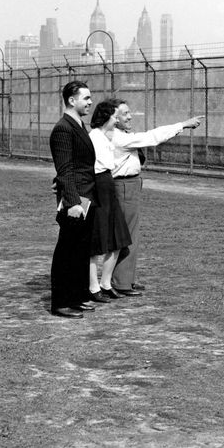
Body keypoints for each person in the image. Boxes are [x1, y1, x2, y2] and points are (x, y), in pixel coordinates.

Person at [109, 100, 202, 295]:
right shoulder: (118, 138)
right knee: (127, 235)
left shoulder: (118, 135)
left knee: (130, 234)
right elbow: (152, 137)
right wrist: (182, 125)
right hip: (124, 186)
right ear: (114, 119)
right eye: (125, 113)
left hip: (130, 185)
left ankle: (125, 279)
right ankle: (122, 283)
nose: (130, 116)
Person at [49, 80, 97, 318]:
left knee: (80, 250)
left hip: (86, 197)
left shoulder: (78, 125)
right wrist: (73, 202)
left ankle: (77, 296)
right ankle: (61, 302)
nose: (90, 102)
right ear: (71, 100)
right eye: (86, 98)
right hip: (76, 201)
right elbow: (65, 169)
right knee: (67, 252)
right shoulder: (63, 128)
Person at [87, 99, 134, 302]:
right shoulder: (94, 137)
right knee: (96, 241)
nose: (117, 120)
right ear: (106, 117)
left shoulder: (109, 137)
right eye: (115, 116)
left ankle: (105, 284)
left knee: (117, 238)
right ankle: (93, 287)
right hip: (97, 184)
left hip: (108, 183)